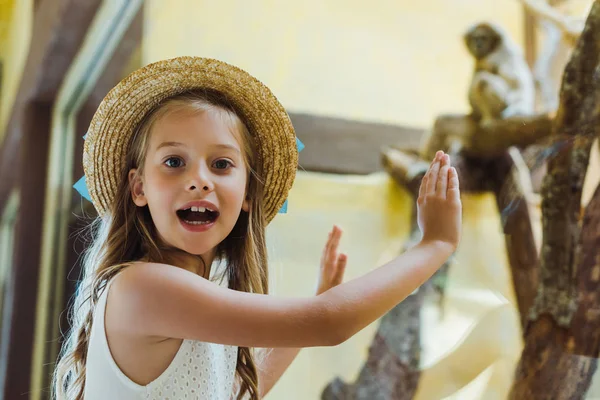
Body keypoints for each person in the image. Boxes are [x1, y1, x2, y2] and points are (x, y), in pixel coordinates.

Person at [53, 56, 462, 400]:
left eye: (221, 164)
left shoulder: (191, 302)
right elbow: (328, 323)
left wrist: (317, 305)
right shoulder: (144, 288)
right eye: (174, 162)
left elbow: (238, 393)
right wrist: (434, 245)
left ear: (249, 192)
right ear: (139, 188)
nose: (200, 180)